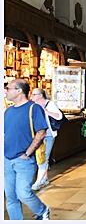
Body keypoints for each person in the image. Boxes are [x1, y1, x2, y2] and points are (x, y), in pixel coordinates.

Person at [4, 79, 51, 220]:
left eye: (8, 88)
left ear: (19, 91)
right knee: (11, 197)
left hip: (24, 159)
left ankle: (42, 210)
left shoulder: (33, 108)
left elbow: (41, 132)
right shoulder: (8, 111)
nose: (5, 91)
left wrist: (27, 153)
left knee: (23, 193)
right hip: (7, 158)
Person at [30, 89, 63, 191]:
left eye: (34, 94)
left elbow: (59, 116)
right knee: (43, 156)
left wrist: (47, 112)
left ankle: (38, 182)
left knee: (43, 157)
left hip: (47, 135)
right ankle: (45, 178)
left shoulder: (49, 104)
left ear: (40, 95)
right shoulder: (33, 105)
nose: (32, 96)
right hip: (36, 135)